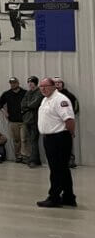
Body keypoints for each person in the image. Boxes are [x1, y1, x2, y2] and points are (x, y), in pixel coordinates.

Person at [36, 77, 77, 208]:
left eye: (45, 86)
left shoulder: (60, 100)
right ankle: (69, 197)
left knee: (57, 169)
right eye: (40, 86)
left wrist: (70, 133)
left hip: (59, 138)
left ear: (53, 86)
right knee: (62, 169)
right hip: (49, 138)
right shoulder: (45, 99)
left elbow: (69, 119)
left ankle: (54, 197)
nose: (42, 88)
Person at [0, 77, 26, 163]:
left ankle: (25, 156)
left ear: (18, 83)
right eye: (11, 83)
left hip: (24, 121)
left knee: (24, 139)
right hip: (13, 121)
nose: (13, 84)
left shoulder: (25, 93)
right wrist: (4, 112)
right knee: (16, 140)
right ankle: (18, 156)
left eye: (14, 83)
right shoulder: (7, 94)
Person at [53, 77, 79, 168]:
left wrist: (69, 117)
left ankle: (70, 160)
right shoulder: (51, 96)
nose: (57, 84)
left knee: (67, 142)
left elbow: (76, 107)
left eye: (59, 82)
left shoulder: (69, 95)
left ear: (62, 84)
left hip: (66, 123)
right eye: (55, 83)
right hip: (55, 124)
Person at [22, 76, 43, 168]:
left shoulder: (39, 92)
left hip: (35, 120)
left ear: (36, 83)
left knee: (34, 140)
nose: (30, 84)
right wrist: (27, 106)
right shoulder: (28, 93)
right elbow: (22, 104)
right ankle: (36, 159)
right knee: (31, 140)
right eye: (29, 82)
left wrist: (27, 106)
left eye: (32, 82)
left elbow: (34, 104)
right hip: (27, 120)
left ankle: (33, 160)